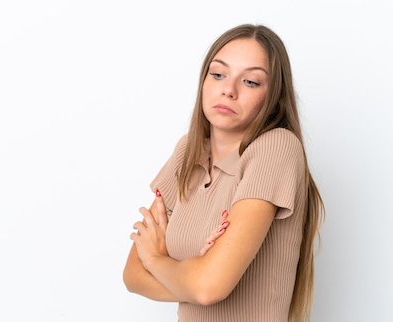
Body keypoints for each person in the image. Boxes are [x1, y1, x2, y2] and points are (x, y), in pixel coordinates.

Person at [122, 23, 325, 322]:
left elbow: (208, 288)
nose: (228, 90)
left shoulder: (276, 148)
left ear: (273, 96)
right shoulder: (187, 153)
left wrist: (157, 259)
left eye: (251, 82)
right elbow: (131, 275)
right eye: (218, 74)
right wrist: (192, 276)